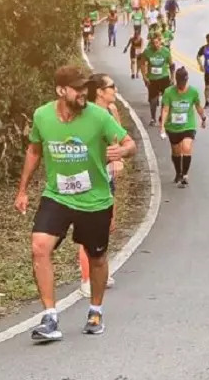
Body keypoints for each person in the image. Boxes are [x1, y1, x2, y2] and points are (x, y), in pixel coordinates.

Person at [16, 65, 136, 340]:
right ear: (61, 90)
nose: (84, 93)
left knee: (96, 257)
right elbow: (34, 150)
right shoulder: (43, 116)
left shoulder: (98, 116)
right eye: (78, 88)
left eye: (86, 88)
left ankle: (95, 310)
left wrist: (123, 151)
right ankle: (49, 317)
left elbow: (130, 143)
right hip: (57, 195)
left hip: (94, 199)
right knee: (39, 246)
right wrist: (22, 190)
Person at [78, 74, 123, 297]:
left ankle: (99, 270)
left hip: (107, 176)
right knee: (87, 228)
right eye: (111, 87)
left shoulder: (111, 112)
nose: (115, 90)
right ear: (99, 92)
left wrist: (119, 158)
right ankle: (86, 278)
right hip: (88, 177)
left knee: (106, 225)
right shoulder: (85, 115)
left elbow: (120, 139)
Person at [161, 67, 207, 186]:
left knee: (186, 147)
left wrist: (203, 117)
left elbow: (198, 106)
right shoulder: (168, 92)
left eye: (184, 82)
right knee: (176, 152)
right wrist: (162, 127)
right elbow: (165, 110)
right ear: (176, 80)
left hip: (188, 125)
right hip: (173, 126)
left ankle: (185, 175)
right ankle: (178, 172)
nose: (182, 85)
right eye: (180, 82)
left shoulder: (193, 92)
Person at [137, 33, 174, 126]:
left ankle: (162, 116)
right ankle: (153, 118)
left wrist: (173, 78)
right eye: (153, 43)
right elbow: (142, 64)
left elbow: (171, 65)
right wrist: (144, 77)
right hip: (152, 79)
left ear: (160, 42)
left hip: (164, 78)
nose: (155, 45)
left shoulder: (166, 51)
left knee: (165, 99)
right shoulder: (147, 52)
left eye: (157, 43)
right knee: (153, 100)